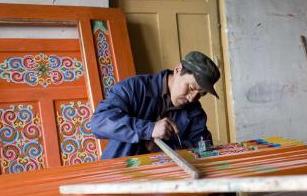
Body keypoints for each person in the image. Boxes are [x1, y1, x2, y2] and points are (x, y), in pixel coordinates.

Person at [90, 51, 220, 159]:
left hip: (167, 181)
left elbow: (204, 150)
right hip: (121, 176)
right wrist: (149, 129)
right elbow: (99, 122)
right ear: (178, 70)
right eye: (191, 88)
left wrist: (163, 147)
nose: (192, 98)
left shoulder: (195, 112)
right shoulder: (135, 88)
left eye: (201, 95)